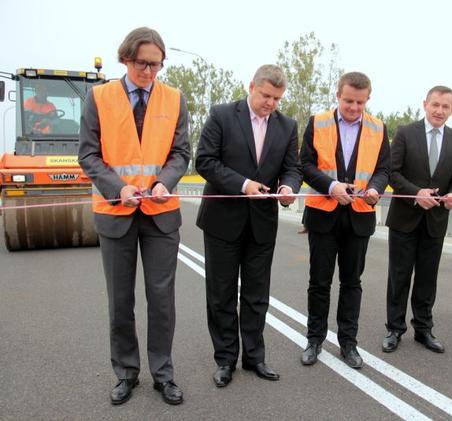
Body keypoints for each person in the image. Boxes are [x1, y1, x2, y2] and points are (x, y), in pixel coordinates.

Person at [78, 27, 190, 405]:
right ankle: (126, 373)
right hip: (116, 212)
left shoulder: (175, 98)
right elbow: (88, 155)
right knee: (120, 300)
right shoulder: (99, 97)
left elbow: (181, 153)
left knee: (161, 299)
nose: (149, 72)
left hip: (161, 214)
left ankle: (163, 374)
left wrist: (164, 182)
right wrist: (118, 188)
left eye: (157, 65)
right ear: (126, 58)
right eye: (143, 63)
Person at [195, 65, 301, 388]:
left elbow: (291, 168)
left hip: (262, 224)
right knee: (221, 293)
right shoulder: (222, 115)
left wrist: (286, 188)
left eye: (277, 98)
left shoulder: (287, 126)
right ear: (252, 86)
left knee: (256, 295)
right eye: (266, 95)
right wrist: (243, 184)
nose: (271, 103)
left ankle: (254, 357)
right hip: (222, 222)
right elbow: (205, 161)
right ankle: (225, 359)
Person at [300, 72, 390, 368]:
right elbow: (305, 165)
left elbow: (383, 169)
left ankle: (348, 343)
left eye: (360, 102)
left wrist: (376, 187)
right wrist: (331, 187)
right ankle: (314, 340)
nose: (353, 107)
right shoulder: (318, 122)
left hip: (359, 217)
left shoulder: (378, 128)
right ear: (338, 95)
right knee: (319, 282)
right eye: (349, 100)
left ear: (368, 99)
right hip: (323, 214)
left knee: (352, 283)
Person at [381, 86, 452, 354]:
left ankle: (423, 329)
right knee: (399, 276)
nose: (440, 111)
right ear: (425, 104)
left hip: (436, 221)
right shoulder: (406, 133)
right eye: (435, 105)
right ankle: (394, 329)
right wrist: (416, 193)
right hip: (405, 218)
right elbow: (392, 173)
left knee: (428, 278)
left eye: (446, 106)